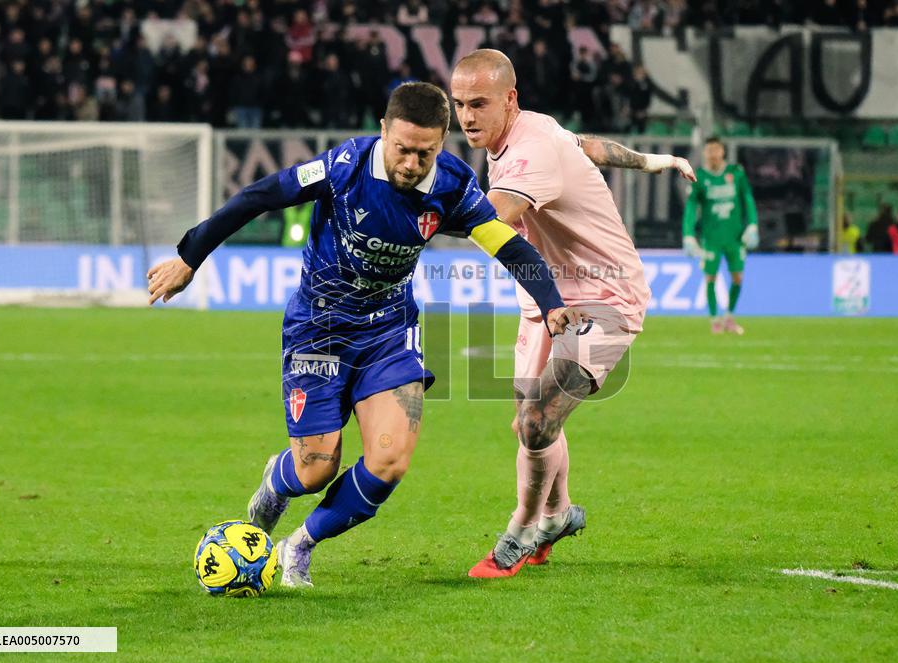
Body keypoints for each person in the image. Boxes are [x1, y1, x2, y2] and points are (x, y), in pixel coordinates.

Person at [147, 82, 582, 588]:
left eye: (426, 152)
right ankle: (276, 481)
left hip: (390, 333)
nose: (412, 163)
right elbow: (258, 196)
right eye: (402, 149)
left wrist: (552, 304)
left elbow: (510, 248)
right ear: (383, 131)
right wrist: (189, 257)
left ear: (442, 142)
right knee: (315, 470)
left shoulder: (454, 188)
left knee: (390, 459)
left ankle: (299, 546)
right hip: (319, 329)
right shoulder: (344, 167)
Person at [449, 49, 695, 578]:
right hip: (547, 298)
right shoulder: (532, 131)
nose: (466, 117)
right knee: (530, 425)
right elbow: (585, 147)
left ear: (509, 100)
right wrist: (652, 161)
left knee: (537, 419)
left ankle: (521, 531)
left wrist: (406, 210)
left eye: (478, 104)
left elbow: (491, 220)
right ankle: (558, 514)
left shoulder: (528, 151)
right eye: (459, 104)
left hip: (606, 298)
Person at [681, 136, 759, 335]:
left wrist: (752, 225)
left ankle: (729, 316)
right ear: (704, 153)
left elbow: (748, 198)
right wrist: (688, 235)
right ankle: (715, 319)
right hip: (711, 238)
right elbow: (691, 207)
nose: (713, 154)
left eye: (716, 149)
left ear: (722, 151)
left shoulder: (736, 174)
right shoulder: (699, 177)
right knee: (710, 278)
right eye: (709, 150)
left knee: (738, 277)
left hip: (735, 237)